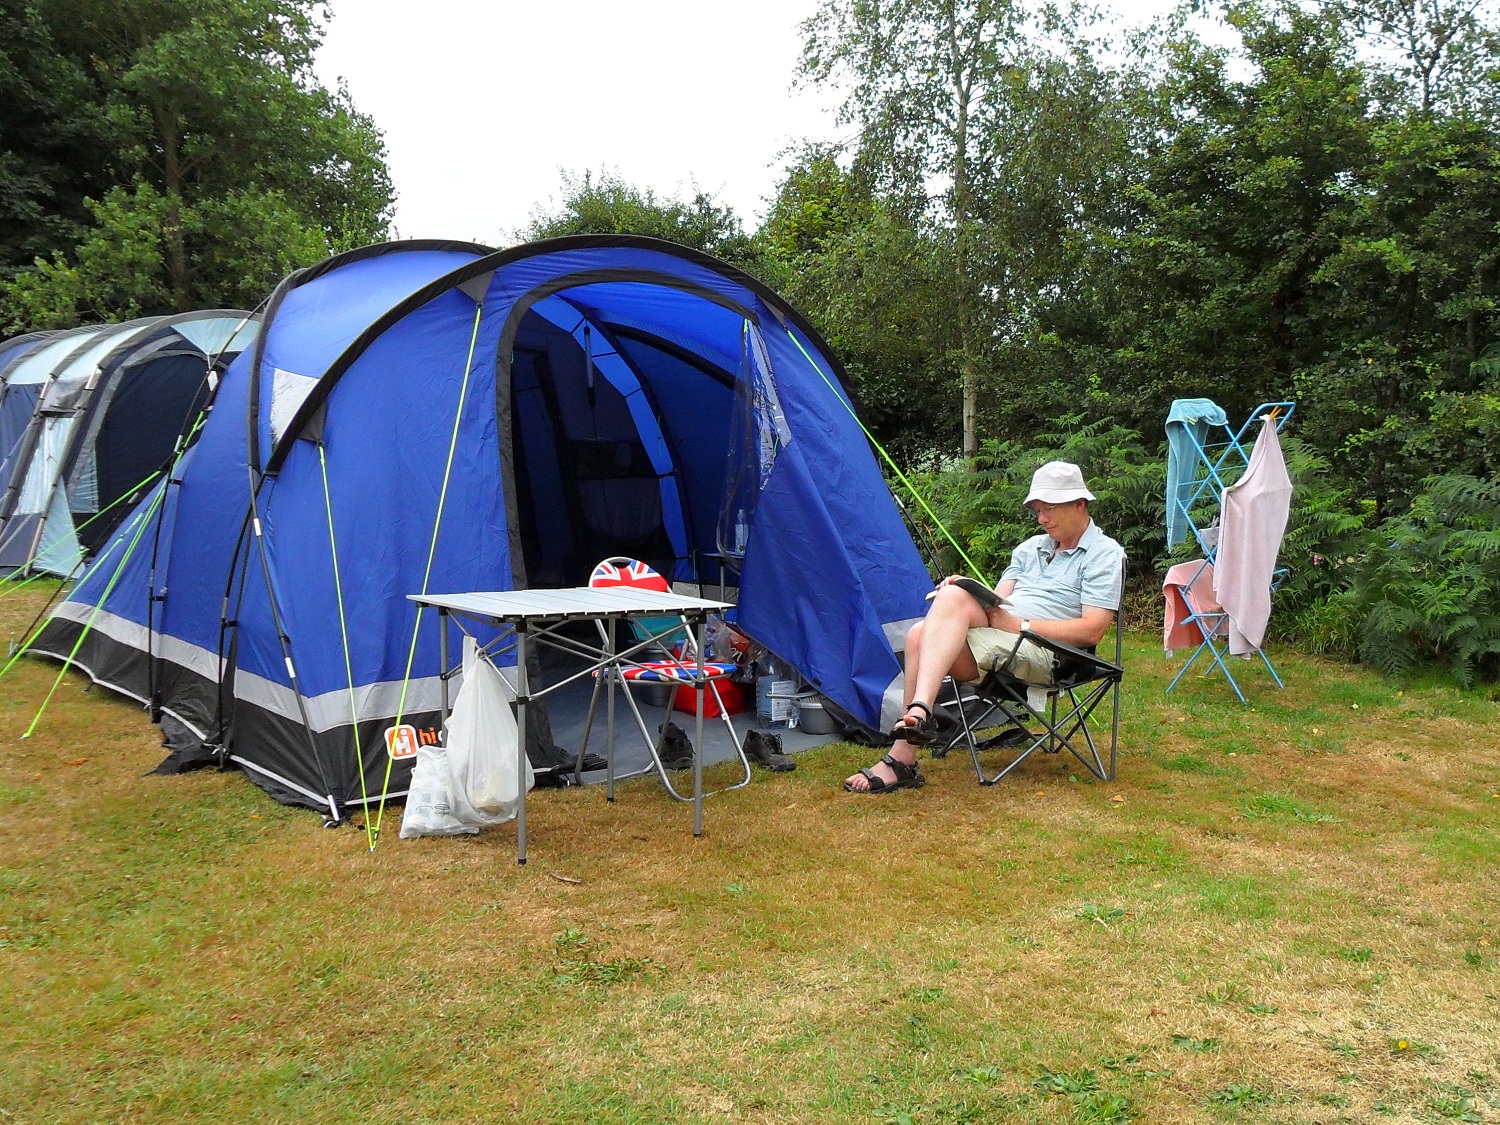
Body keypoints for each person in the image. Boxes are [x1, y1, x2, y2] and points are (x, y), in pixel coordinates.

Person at [844, 461, 1125, 793]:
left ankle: (908, 743)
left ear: (1079, 504)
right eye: (1037, 510)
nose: (1041, 518)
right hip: (1004, 633)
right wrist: (968, 587)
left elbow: (1093, 630)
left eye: (1049, 509)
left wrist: (1020, 624)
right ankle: (916, 723)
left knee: (926, 630)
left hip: (1051, 653)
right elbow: (997, 601)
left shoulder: (1104, 555)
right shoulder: (1029, 548)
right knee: (928, 621)